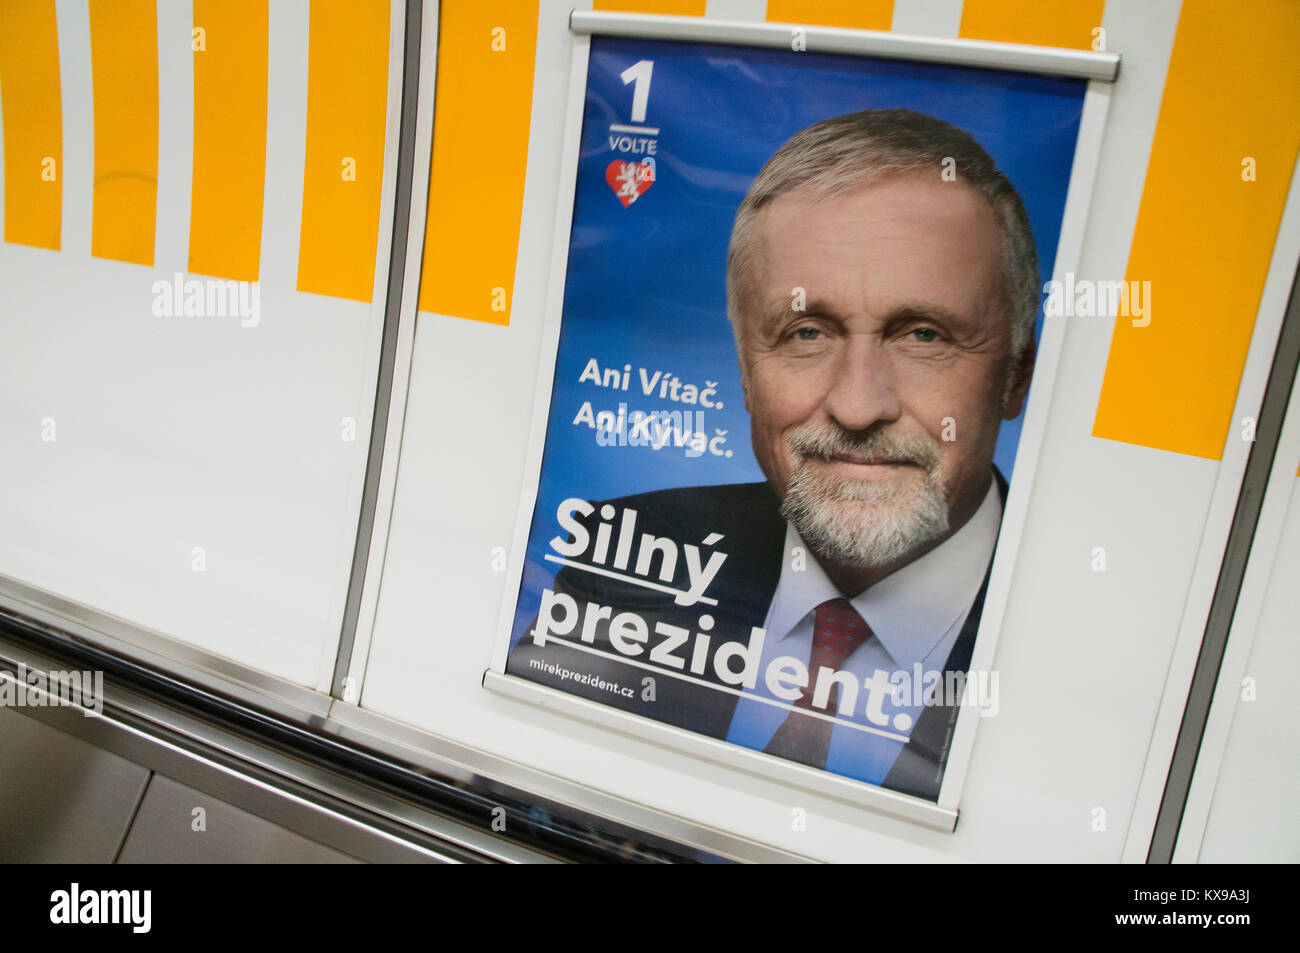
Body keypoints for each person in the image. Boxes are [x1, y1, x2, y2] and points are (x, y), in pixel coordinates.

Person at [507, 108, 1038, 800]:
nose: (856, 405)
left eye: (924, 335)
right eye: (807, 333)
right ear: (745, 369)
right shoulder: (622, 559)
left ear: (1016, 373)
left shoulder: (1085, 663)